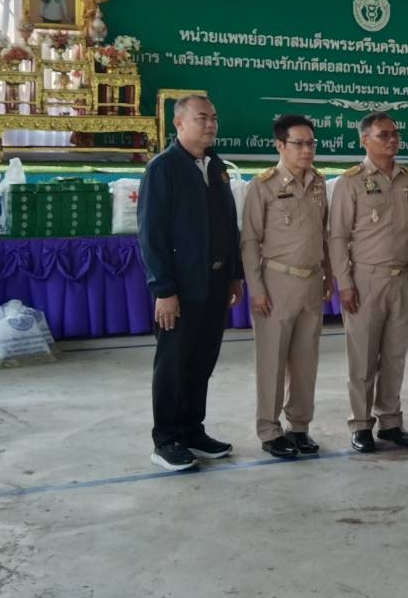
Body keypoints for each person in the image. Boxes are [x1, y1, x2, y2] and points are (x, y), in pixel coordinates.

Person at [138, 95, 244, 471]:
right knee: (173, 364)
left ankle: (192, 431)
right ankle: (166, 440)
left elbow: (228, 224)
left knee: (202, 362)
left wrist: (234, 274)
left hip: (214, 283)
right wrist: (164, 290)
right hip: (180, 289)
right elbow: (151, 234)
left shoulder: (216, 166)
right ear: (179, 123)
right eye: (202, 118)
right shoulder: (163, 168)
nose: (211, 124)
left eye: (214, 118)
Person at [327, 112, 408, 452]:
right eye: (384, 134)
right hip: (366, 279)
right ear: (364, 140)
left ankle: (390, 422)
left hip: (403, 278)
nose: (392, 140)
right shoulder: (351, 182)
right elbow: (337, 236)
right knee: (363, 357)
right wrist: (344, 282)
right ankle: (360, 424)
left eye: (395, 134)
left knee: (395, 355)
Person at [241, 114, 332, 459]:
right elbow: (250, 241)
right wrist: (256, 288)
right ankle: (269, 429)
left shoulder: (319, 183)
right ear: (280, 145)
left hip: (311, 282)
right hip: (276, 283)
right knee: (272, 361)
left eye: (311, 143)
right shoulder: (262, 185)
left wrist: (329, 274)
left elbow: (324, 233)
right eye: (299, 143)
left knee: (306, 361)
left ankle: (299, 427)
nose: (307, 150)